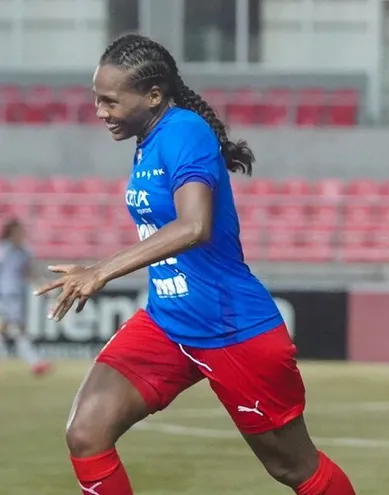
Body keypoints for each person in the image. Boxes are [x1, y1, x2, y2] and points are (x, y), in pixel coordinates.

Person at [34, 34, 356, 495]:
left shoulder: (183, 130)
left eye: (110, 101)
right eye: (96, 99)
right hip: (168, 323)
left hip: (231, 327)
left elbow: (193, 226)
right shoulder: (147, 139)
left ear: (153, 96)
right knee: (86, 432)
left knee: (294, 468)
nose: (100, 111)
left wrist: (101, 270)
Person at [0, 218, 52, 375]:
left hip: (16, 294)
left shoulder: (25, 251)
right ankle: (35, 362)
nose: (21, 235)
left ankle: (34, 362)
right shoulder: (3, 250)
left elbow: (30, 271)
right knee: (14, 328)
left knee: (13, 328)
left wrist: (41, 284)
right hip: (3, 293)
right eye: (19, 232)